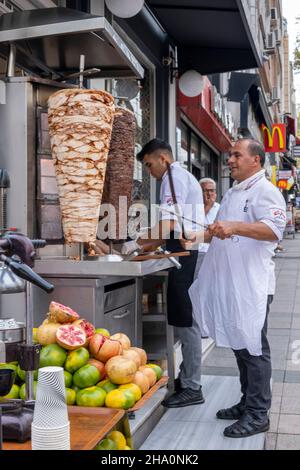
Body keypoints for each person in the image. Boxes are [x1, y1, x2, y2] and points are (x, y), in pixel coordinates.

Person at [188, 138, 286, 437]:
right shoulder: (232, 192)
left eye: (236, 155)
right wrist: (194, 236)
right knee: (241, 346)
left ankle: (258, 414)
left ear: (255, 160)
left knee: (255, 349)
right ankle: (247, 402)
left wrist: (235, 227)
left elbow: (273, 230)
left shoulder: (266, 191)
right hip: (232, 284)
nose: (229, 160)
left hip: (252, 285)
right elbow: (218, 230)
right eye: (230, 155)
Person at [122, 138, 205, 408]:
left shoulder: (173, 178)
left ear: (163, 159)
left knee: (186, 322)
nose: (149, 172)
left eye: (148, 165)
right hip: (185, 253)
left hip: (188, 255)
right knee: (182, 320)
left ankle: (193, 387)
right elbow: (167, 227)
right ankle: (187, 377)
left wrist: (135, 245)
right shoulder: (177, 177)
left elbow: (168, 225)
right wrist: (145, 242)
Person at [194, 178, 220, 280]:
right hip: (198, 253)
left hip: (214, 253)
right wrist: (207, 207)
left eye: (212, 190)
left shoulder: (220, 208)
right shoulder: (194, 208)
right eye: (205, 190)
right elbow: (193, 228)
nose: (209, 194)